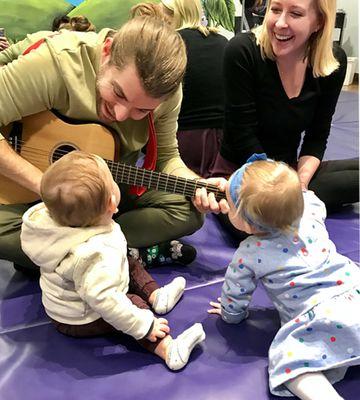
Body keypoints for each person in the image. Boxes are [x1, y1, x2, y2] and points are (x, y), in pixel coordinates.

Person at [0, 16, 228, 273]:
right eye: (118, 93)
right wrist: (46, 186)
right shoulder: (58, 62)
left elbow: (166, 156)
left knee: (187, 210)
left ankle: (64, 255)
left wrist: (197, 184)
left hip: (110, 185)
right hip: (25, 186)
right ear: (107, 51)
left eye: (141, 110)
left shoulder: (168, 95)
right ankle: (109, 254)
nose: (120, 115)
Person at [20, 150, 206, 370]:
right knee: (131, 305)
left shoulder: (55, 217)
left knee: (129, 262)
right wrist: (144, 325)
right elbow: (106, 303)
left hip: (87, 287)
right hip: (81, 317)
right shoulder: (95, 255)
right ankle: (168, 350)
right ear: (112, 203)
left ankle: (157, 295)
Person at [208, 153, 360, 399]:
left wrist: (230, 314)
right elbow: (309, 198)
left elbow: (235, 293)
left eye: (231, 207)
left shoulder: (249, 252)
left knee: (289, 364)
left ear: (247, 225)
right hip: (354, 289)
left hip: (323, 316)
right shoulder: (310, 211)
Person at [214, 0, 359, 240]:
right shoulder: (242, 51)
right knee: (250, 225)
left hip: (290, 172)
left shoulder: (333, 62)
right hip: (244, 175)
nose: (280, 23)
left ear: (319, 22)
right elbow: (242, 137)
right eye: (275, 9)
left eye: (295, 14)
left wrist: (299, 184)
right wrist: (284, 190)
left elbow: (317, 135)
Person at [132, 0, 228, 178]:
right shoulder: (223, 42)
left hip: (182, 141)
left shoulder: (168, 48)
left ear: (169, 15)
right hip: (223, 144)